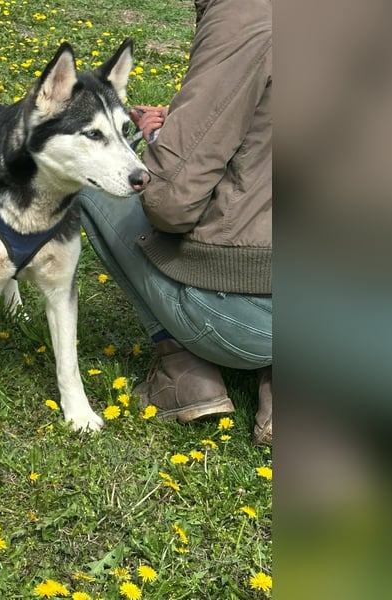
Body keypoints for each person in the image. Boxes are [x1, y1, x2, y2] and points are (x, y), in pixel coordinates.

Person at [79, 0, 272, 444]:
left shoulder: (249, 17)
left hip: (249, 317)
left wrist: (159, 141)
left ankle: (184, 372)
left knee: (90, 179)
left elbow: (170, 202)